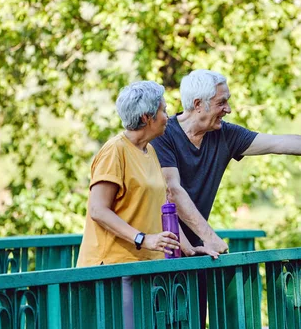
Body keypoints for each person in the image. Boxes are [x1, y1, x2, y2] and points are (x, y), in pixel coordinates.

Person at [150, 69, 301, 326]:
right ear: (197, 105)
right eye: (221, 102)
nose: (228, 109)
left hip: (199, 253)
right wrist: (209, 235)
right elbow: (172, 190)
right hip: (159, 251)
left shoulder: (225, 135)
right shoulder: (164, 135)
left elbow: (278, 143)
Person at [76, 81, 218, 329]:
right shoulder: (114, 152)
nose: (167, 117)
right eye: (163, 111)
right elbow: (98, 210)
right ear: (147, 117)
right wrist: (143, 238)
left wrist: (188, 248)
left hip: (147, 267)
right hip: (115, 270)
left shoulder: (149, 151)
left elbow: (163, 208)